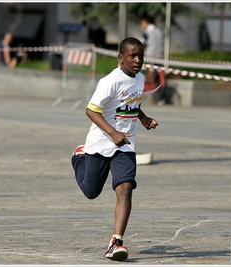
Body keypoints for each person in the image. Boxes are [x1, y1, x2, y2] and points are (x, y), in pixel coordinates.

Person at [71, 37, 158, 261]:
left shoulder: (140, 78)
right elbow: (91, 111)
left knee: (126, 187)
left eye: (141, 56)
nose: (138, 60)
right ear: (121, 58)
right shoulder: (109, 81)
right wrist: (112, 133)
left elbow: (133, 102)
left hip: (126, 146)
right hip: (100, 143)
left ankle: (116, 241)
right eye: (132, 56)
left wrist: (144, 119)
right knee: (91, 192)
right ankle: (79, 157)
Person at [140, 16, 166, 106]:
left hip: (148, 56)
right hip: (159, 56)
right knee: (161, 77)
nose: (142, 25)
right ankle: (162, 98)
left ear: (146, 22)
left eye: (142, 23)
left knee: (139, 68)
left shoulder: (147, 32)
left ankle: (141, 82)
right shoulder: (159, 31)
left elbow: (141, 43)